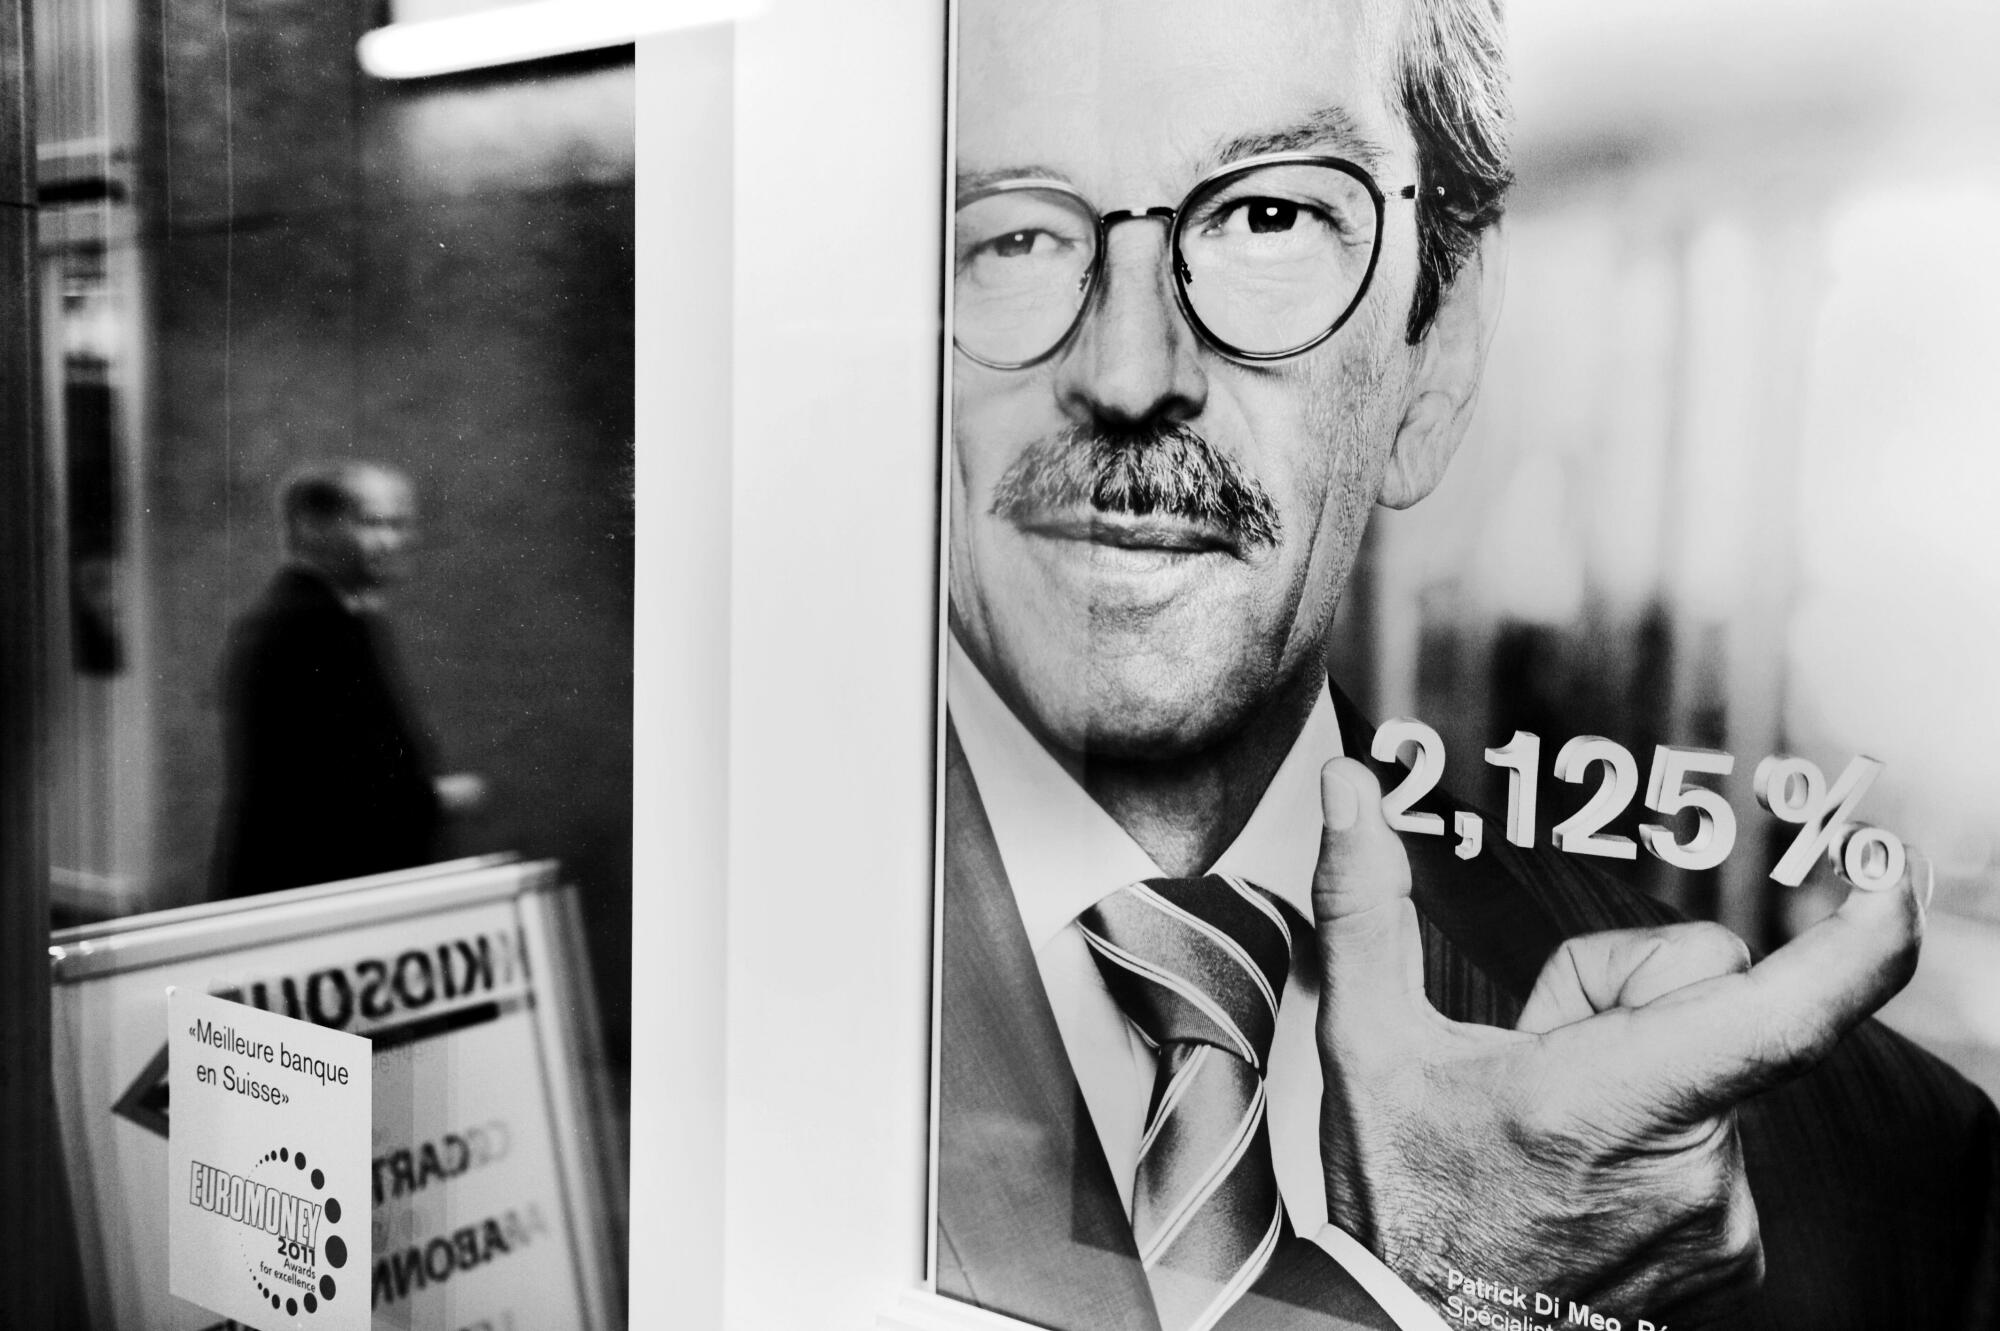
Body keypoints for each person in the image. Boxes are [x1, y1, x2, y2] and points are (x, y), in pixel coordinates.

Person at [934, 2, 2000, 1330]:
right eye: (1017, 232)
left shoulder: (1888, 1178)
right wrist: (1452, 1298)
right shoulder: (713, 941)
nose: (1129, 369)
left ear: (1433, 352)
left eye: (1267, 217)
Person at [212, 461, 483, 898]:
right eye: (374, 523)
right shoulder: (310, 626)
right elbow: (332, 786)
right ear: (314, 528)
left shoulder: (317, 617)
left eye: (400, 525)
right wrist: (434, 799)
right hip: (314, 889)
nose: (395, 541)